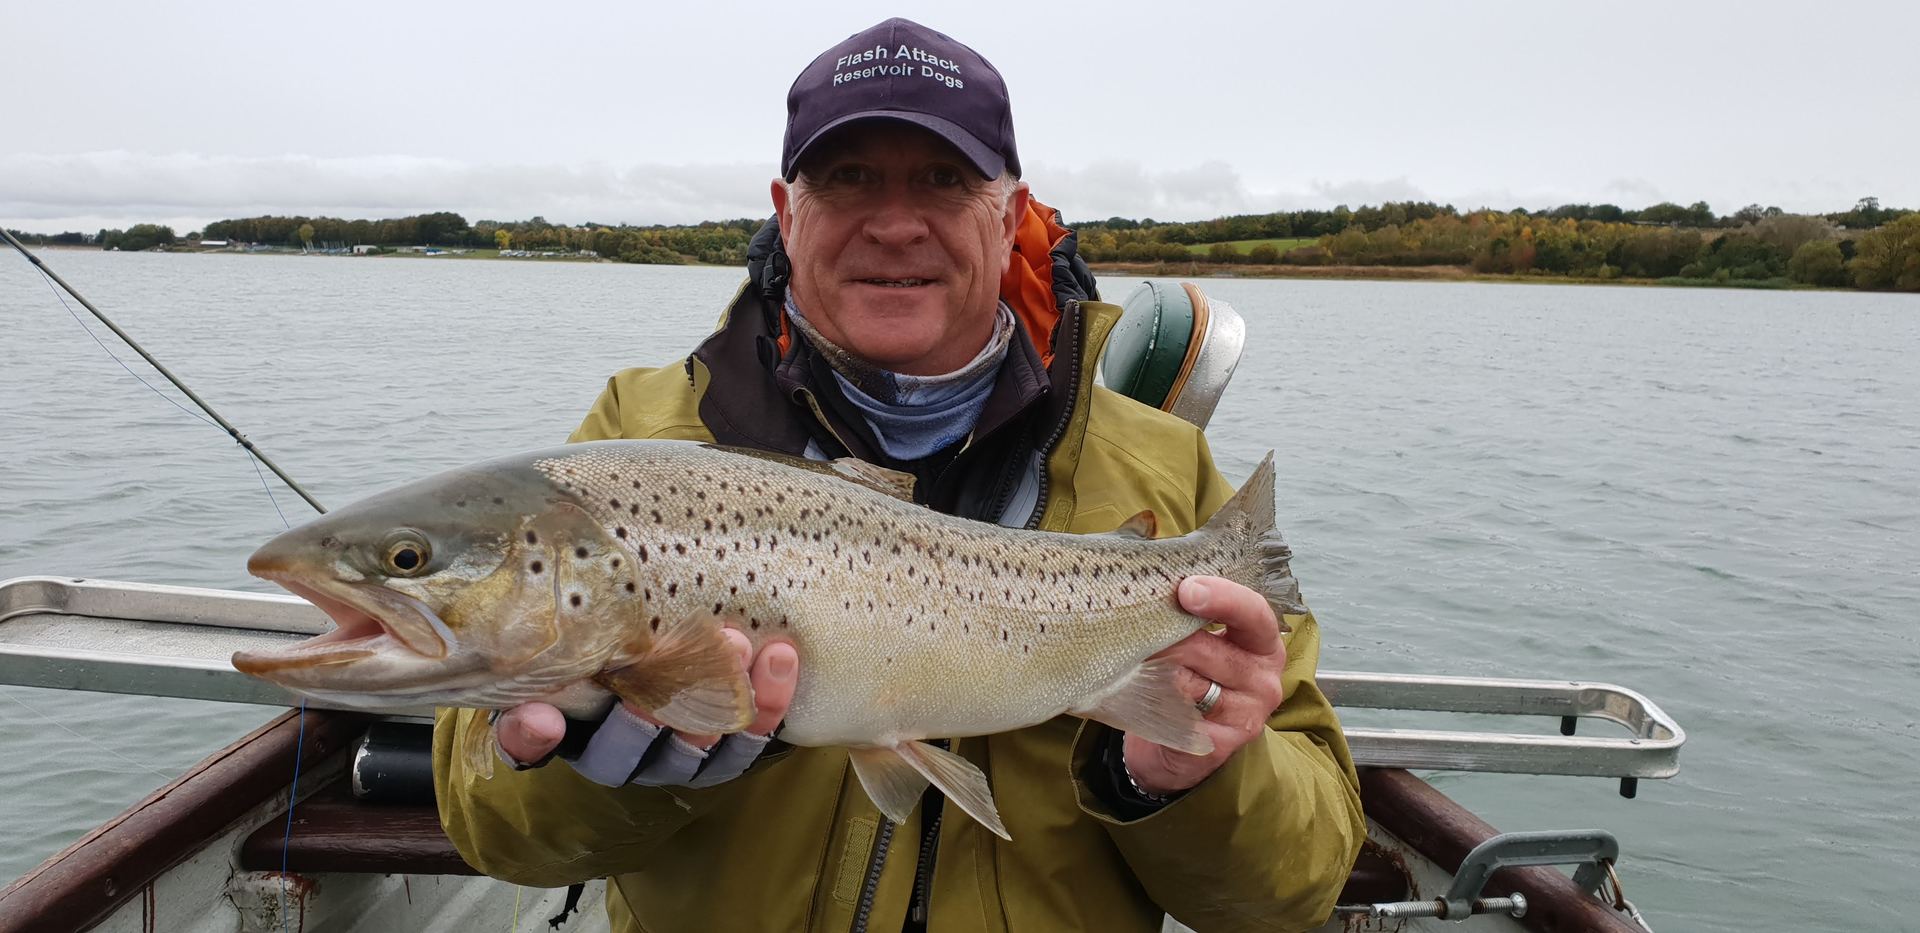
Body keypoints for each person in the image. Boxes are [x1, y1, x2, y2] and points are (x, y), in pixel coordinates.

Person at [433, 17, 1363, 932]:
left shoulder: (1166, 467)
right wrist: (600, 774)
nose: (893, 225)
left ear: (1011, 216)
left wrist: (1179, 776)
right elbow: (499, 835)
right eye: (848, 178)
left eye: (943, 180)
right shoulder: (631, 441)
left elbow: (1294, 895)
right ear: (785, 211)